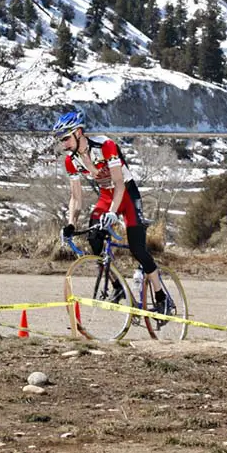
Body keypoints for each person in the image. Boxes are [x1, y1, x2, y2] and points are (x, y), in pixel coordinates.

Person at [53, 109, 172, 315]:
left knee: (138, 249)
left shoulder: (105, 145)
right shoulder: (70, 160)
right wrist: (71, 224)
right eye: (60, 140)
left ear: (78, 132)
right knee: (94, 239)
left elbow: (119, 183)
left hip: (126, 194)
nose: (63, 144)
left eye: (65, 138)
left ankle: (162, 296)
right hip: (106, 196)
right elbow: (76, 197)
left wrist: (113, 212)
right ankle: (117, 287)